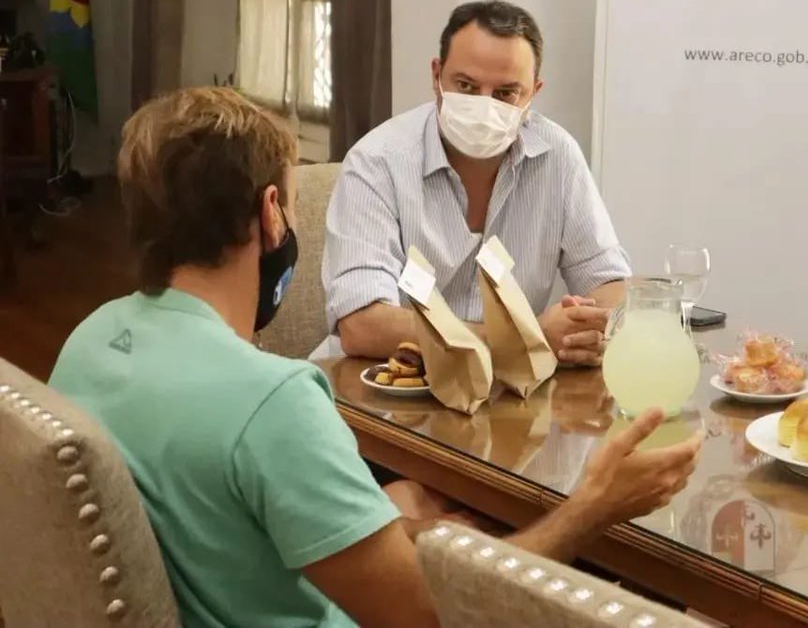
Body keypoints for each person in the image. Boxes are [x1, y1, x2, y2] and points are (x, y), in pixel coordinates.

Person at [50, 88, 701, 628]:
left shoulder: (91, 341)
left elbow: (215, 515)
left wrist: (379, 517)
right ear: (272, 213)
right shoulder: (273, 401)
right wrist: (594, 506)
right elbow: (433, 615)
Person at [315, 0, 629, 364]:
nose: (484, 107)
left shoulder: (557, 155)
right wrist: (526, 339)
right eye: (465, 86)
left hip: (507, 396)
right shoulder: (377, 162)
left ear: (533, 93)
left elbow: (609, 283)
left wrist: (590, 330)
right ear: (436, 76)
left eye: (505, 93)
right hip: (379, 391)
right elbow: (363, 326)